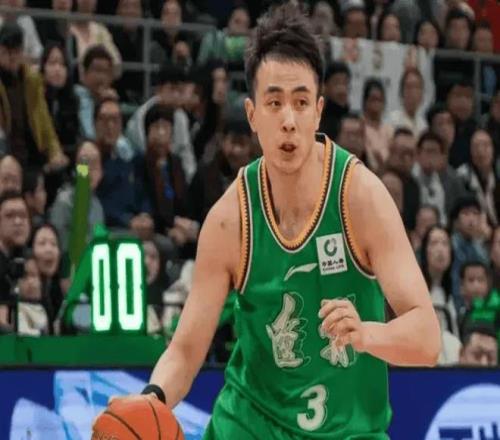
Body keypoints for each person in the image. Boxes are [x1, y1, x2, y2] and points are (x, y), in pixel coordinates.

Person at [108, 4, 440, 439]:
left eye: (301, 102)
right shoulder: (230, 218)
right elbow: (186, 350)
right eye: (274, 102)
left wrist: (367, 334)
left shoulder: (360, 197)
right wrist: (151, 398)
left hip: (348, 431)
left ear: (318, 111)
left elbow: (427, 340)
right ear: (252, 115)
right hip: (250, 425)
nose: (288, 120)